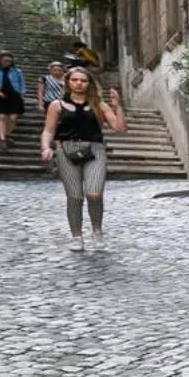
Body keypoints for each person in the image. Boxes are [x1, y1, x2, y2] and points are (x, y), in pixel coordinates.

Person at [41, 67, 124, 251]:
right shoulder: (57, 105)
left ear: (89, 83)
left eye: (83, 80)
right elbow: (48, 130)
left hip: (94, 149)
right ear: (68, 82)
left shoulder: (99, 104)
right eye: (75, 80)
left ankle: (97, 231)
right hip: (67, 150)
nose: (79, 83)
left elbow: (119, 128)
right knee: (75, 197)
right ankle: (76, 236)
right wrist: (46, 147)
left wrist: (117, 106)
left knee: (94, 193)